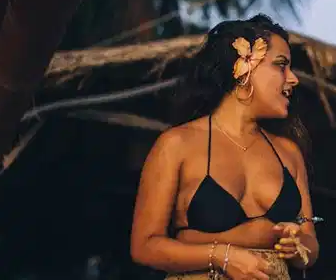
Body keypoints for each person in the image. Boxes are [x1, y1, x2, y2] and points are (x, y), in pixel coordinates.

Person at [130, 14, 320, 280]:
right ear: (243, 66)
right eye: (281, 65)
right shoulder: (177, 145)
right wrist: (223, 256)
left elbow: (311, 245)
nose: (293, 79)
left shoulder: (289, 153)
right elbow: (144, 247)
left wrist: (298, 247)